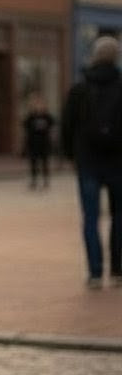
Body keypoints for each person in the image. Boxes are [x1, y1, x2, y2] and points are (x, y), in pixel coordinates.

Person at [60, 35, 122, 289]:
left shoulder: (79, 90)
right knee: (119, 216)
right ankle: (118, 270)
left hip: (88, 161)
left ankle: (95, 272)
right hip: (119, 161)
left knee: (90, 217)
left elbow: (67, 126)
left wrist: (69, 155)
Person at [21, 92, 55, 189]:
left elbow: (52, 128)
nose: (38, 106)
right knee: (33, 162)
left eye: (40, 104)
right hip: (33, 143)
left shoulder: (47, 116)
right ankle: (34, 180)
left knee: (45, 162)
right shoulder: (30, 117)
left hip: (44, 143)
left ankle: (45, 180)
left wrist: (52, 140)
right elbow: (25, 129)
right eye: (36, 104)